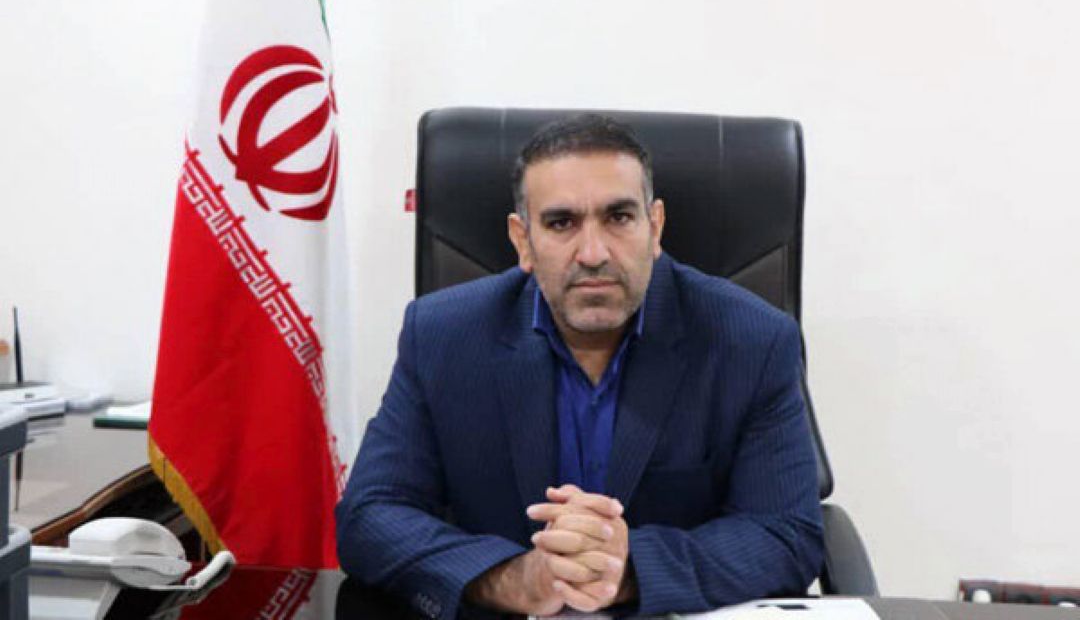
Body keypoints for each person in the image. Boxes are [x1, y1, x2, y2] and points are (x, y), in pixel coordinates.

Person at [336, 114, 824, 618]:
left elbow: (787, 534)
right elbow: (370, 516)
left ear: (655, 227)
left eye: (619, 217)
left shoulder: (751, 341)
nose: (593, 253)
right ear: (522, 240)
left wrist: (628, 568)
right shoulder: (443, 335)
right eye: (561, 223)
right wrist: (513, 579)